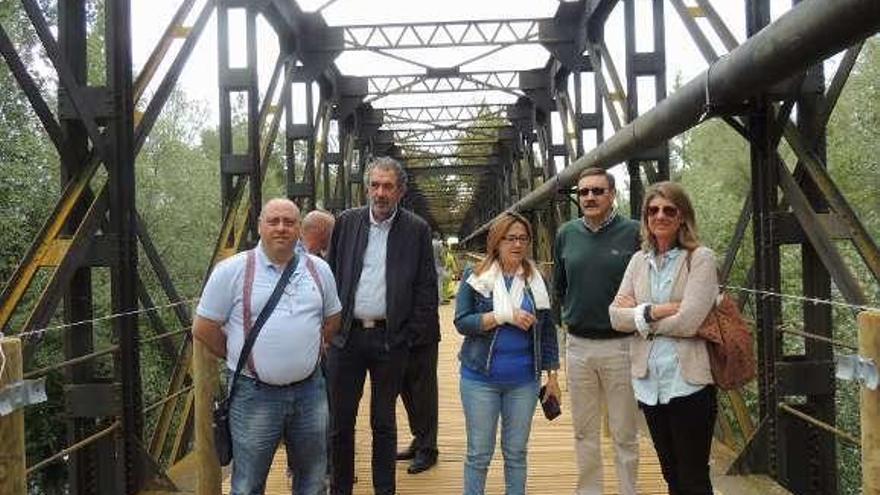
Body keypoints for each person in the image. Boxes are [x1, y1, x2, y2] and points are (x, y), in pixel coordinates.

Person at [192, 198, 342, 495]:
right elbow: (203, 328)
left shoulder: (319, 270)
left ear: (300, 229)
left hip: (310, 392)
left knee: (313, 481)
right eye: (273, 221)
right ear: (260, 226)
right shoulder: (231, 271)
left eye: (289, 222)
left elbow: (333, 319)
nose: (281, 228)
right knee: (248, 484)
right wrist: (240, 355)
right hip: (254, 394)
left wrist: (311, 347)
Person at [326, 156, 440, 495]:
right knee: (340, 423)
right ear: (366, 188)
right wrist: (329, 330)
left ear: (401, 191)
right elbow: (329, 279)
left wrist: (407, 337)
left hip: (390, 340)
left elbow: (425, 288)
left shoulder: (417, 229)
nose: (380, 193)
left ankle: (384, 490)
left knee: (384, 422)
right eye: (375, 185)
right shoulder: (346, 223)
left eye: (388, 186)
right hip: (346, 339)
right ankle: (341, 488)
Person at [609, 181, 719, 495]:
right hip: (649, 384)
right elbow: (615, 317)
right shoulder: (637, 262)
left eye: (669, 210)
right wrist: (656, 311)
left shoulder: (700, 258)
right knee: (671, 475)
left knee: (694, 478)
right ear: (645, 217)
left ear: (682, 216)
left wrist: (640, 318)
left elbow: (689, 322)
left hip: (689, 382)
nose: (660, 216)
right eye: (653, 210)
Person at [454, 211, 560, 495]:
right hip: (479, 377)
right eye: (510, 238)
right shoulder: (475, 276)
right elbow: (462, 322)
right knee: (479, 453)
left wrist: (553, 376)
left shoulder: (537, 280)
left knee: (516, 452)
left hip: (524, 380)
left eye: (523, 238)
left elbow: (548, 331)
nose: (517, 244)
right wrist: (504, 315)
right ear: (496, 242)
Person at [553, 167, 640, 495]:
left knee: (624, 431)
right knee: (583, 431)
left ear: (612, 194)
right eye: (584, 192)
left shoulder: (632, 232)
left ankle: (628, 490)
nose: (589, 197)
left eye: (597, 191)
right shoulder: (566, 234)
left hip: (621, 345)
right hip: (578, 346)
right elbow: (558, 287)